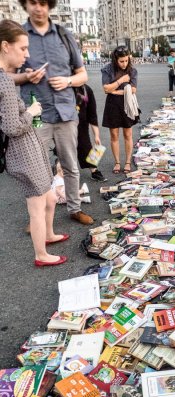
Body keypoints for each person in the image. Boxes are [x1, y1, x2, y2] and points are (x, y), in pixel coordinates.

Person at [15, 0, 94, 225]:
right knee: (35, 170)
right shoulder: (20, 36)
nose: (38, 8)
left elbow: (83, 75)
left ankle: (74, 208)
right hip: (36, 114)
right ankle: (37, 218)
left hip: (66, 112)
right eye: (32, 2)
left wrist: (68, 80)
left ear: (49, 5)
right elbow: (6, 75)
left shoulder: (63, 35)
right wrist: (25, 77)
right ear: (25, 4)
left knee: (70, 165)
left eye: (42, 2)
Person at [0, 19, 67, 266]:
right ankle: (41, 254)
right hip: (23, 154)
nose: (27, 55)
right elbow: (11, 127)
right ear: (5, 46)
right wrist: (32, 111)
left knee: (48, 197)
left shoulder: (5, 78)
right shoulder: (4, 81)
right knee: (36, 206)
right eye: (23, 48)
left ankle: (48, 235)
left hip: (28, 151)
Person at [101, 47, 139, 174]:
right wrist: (121, 81)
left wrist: (114, 90)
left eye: (126, 61)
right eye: (121, 61)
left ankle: (127, 162)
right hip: (112, 105)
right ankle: (117, 162)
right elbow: (106, 89)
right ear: (115, 60)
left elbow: (133, 90)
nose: (124, 64)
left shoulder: (132, 70)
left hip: (127, 105)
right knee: (114, 135)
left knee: (128, 134)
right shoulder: (107, 69)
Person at [76, 84, 106, 182]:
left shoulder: (87, 89)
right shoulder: (64, 87)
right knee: (63, 150)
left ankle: (94, 171)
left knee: (86, 146)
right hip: (64, 124)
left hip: (82, 123)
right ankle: (59, 173)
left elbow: (92, 114)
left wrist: (96, 135)